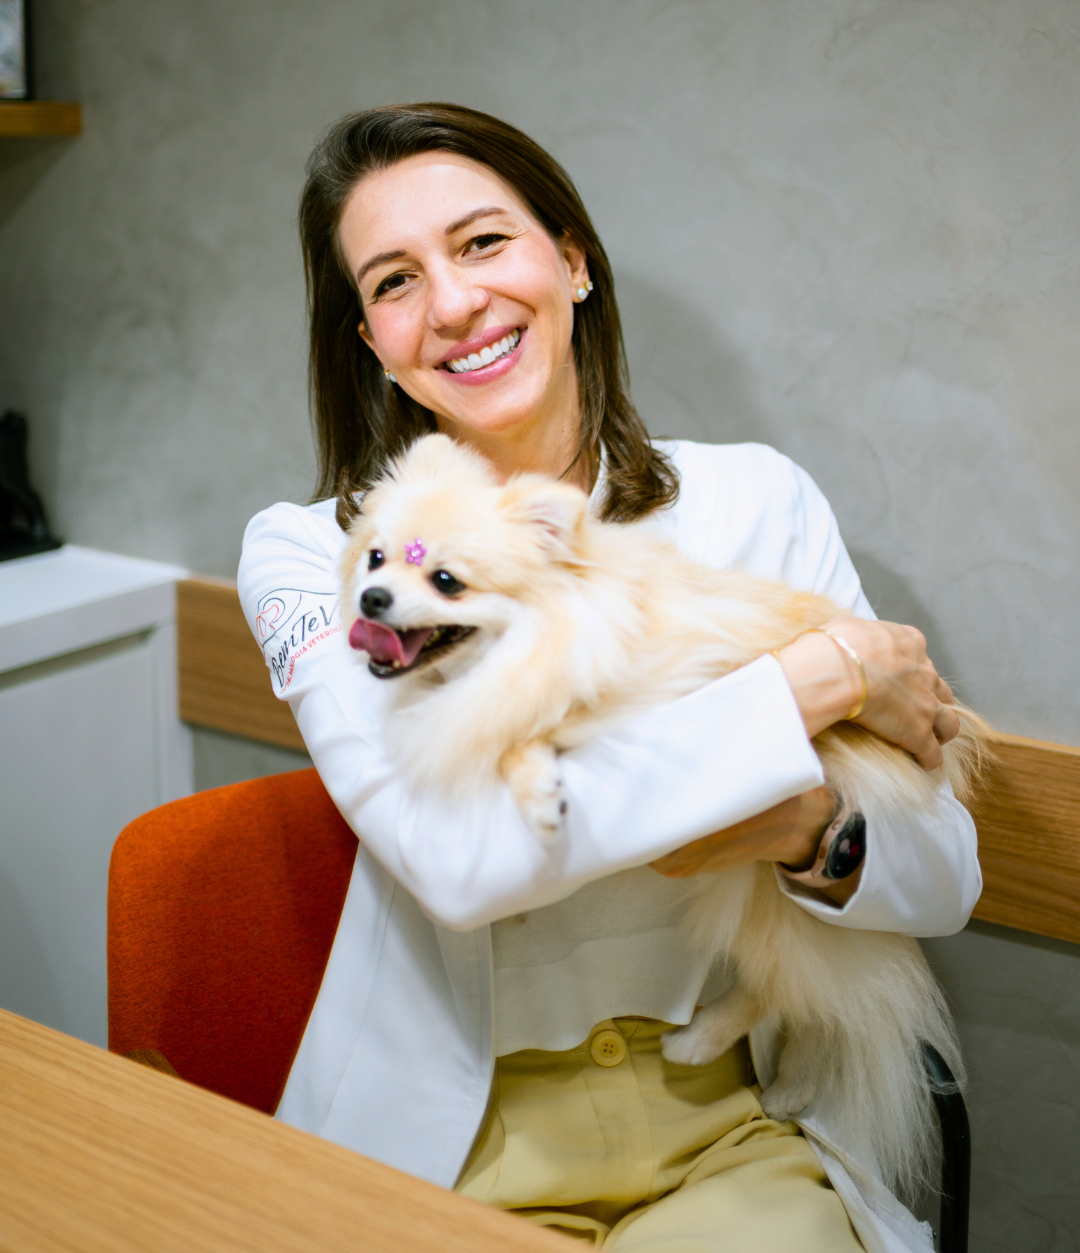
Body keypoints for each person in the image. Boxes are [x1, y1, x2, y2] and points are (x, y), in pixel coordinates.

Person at [238, 103, 980, 1253]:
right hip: (460, 1139)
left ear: (573, 262)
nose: (453, 303)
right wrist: (818, 683)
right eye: (395, 282)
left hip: (730, 1119)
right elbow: (464, 859)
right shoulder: (327, 556)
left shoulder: (755, 503)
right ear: (372, 343)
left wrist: (810, 830)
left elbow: (944, 878)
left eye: (484, 242)